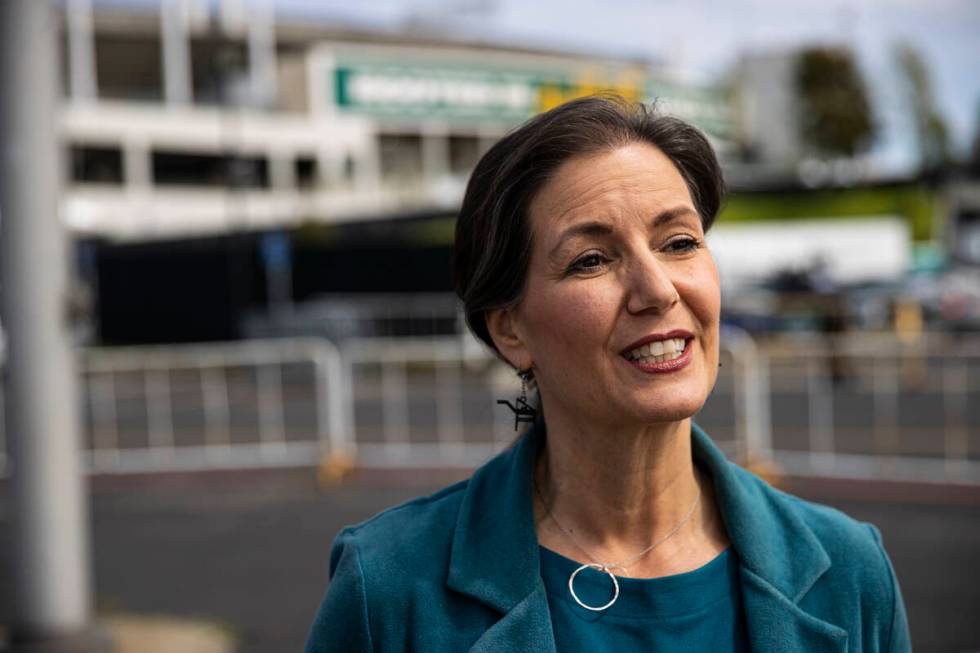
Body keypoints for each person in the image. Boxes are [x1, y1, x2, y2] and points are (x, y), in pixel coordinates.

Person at [304, 95, 911, 652]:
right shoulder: (387, 588)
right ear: (510, 329)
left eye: (678, 242)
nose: (657, 290)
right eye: (592, 259)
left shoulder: (852, 570)